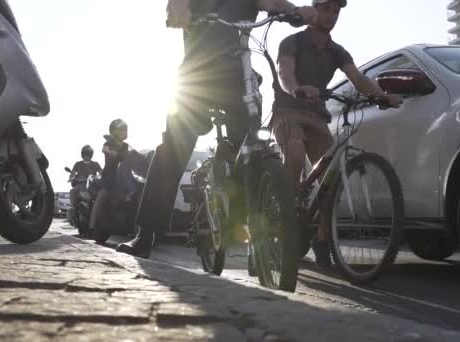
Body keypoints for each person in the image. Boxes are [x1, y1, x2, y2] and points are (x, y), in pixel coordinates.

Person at [116, 0, 318, 258]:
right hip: (198, 78)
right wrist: (178, 10)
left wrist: (299, 11)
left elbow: (271, 2)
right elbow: (176, 6)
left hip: (237, 76)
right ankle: (146, 234)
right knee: (172, 149)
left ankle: (251, 220)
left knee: (252, 144)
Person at [273, 0, 402, 268]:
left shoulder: (337, 51)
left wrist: (382, 96)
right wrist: (297, 88)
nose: (331, 15)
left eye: (336, 11)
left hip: (318, 117)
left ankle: (322, 240)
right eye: (326, 9)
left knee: (331, 176)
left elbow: (358, 78)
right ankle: (287, 213)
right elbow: (285, 75)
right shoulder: (292, 42)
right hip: (288, 112)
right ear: (315, 8)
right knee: (294, 149)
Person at [69, 145, 102, 220]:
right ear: (82, 154)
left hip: (91, 186)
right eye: (85, 153)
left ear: (91, 155)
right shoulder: (78, 164)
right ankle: (74, 211)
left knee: (99, 195)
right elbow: (73, 173)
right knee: (73, 191)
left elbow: (101, 172)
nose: (86, 155)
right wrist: (71, 177)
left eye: (88, 154)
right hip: (80, 185)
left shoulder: (95, 164)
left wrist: (97, 177)